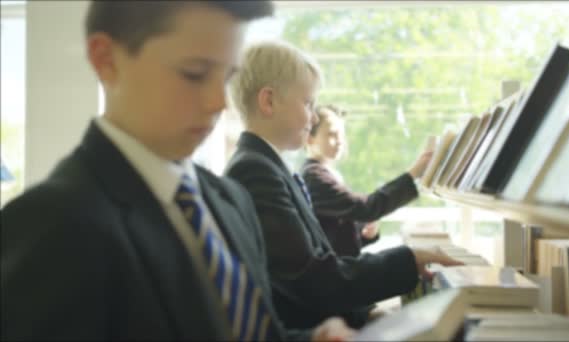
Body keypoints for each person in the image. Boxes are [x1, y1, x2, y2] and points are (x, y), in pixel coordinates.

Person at [0, 2, 355, 341]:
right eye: (194, 74)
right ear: (106, 60)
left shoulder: (231, 201)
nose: (219, 102)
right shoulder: (51, 224)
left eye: (226, 76)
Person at [224, 40, 461, 330]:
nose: (313, 118)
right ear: (268, 101)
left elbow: (315, 268)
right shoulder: (256, 171)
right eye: (308, 103)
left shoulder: (267, 166)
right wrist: (408, 262)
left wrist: (367, 315)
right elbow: (312, 282)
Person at [301, 104, 430, 257]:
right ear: (309, 138)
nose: (340, 141)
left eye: (341, 135)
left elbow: (334, 232)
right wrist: (414, 172)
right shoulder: (315, 177)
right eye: (332, 134)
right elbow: (366, 208)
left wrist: (364, 234)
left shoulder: (325, 173)